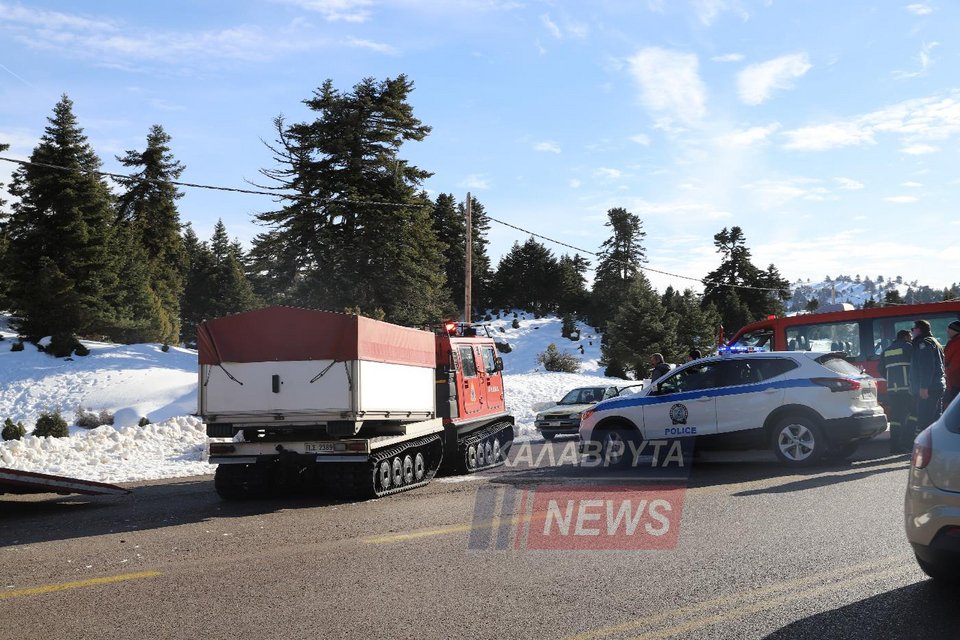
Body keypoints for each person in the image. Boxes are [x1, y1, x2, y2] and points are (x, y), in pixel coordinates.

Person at [910, 319, 945, 437]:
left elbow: (926, 367)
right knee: (935, 418)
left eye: (913, 329)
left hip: (929, 388)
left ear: (919, 330)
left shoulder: (923, 344)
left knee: (925, 419)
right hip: (937, 385)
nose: (911, 332)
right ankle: (937, 442)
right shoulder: (934, 342)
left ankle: (926, 444)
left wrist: (924, 387)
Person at [881, 329, 914, 454]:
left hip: (892, 389)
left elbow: (881, 368)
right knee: (910, 414)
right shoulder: (908, 347)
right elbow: (916, 366)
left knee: (895, 418)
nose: (911, 339)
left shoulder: (887, 350)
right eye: (910, 336)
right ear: (905, 337)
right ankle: (907, 443)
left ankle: (894, 446)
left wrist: (891, 379)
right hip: (907, 388)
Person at [944, 320, 960, 409]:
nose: (947, 331)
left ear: (955, 330)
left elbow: (954, 364)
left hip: (954, 382)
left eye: (949, 329)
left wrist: (945, 373)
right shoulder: (954, 342)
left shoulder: (956, 343)